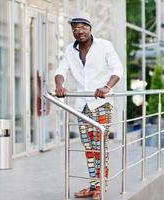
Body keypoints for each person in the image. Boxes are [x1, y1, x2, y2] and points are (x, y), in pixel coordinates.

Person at [54, 11, 123, 200]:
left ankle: (101, 185)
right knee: (89, 147)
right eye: (75, 28)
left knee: (100, 145)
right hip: (82, 105)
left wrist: (107, 86)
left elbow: (118, 69)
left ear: (90, 28)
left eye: (83, 27)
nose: (79, 31)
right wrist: (60, 85)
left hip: (102, 104)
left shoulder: (104, 46)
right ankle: (94, 186)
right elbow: (61, 70)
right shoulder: (70, 50)